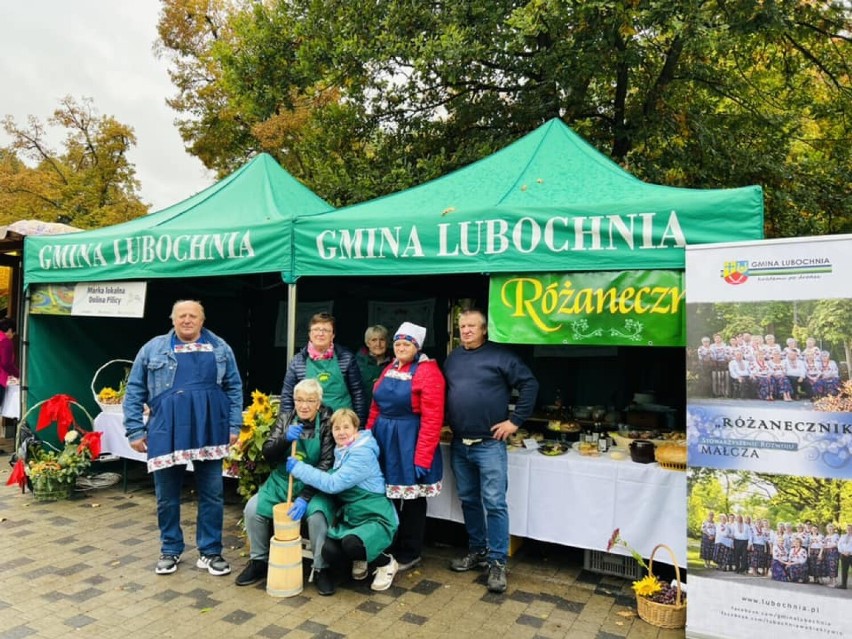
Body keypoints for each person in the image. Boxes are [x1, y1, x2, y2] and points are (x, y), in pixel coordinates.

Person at [124, 300, 243, 576]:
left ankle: (211, 552)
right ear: (172, 319)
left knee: (212, 493)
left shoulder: (221, 348)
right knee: (167, 495)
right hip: (167, 427)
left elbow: (234, 387)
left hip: (210, 427)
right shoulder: (153, 349)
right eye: (182, 316)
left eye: (193, 316)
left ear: (202, 320)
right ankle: (170, 549)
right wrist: (134, 429)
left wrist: (234, 424)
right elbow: (135, 390)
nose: (187, 320)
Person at [444, 308, 539, 594]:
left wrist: (515, 421)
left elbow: (530, 384)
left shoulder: (501, 356)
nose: (467, 330)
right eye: (462, 326)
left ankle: (497, 562)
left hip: (489, 445)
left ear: (484, 329)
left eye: (472, 326)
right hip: (460, 443)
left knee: (495, 503)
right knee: (469, 500)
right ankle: (478, 551)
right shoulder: (453, 358)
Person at [234, 379, 335, 591]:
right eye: (299, 400)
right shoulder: (285, 418)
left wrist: (305, 497)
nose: (304, 405)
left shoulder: (327, 422)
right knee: (253, 510)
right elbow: (268, 453)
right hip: (282, 480)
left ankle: (321, 568)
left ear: (318, 403)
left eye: (310, 400)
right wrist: (285, 439)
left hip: (314, 483)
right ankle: (259, 562)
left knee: (317, 517)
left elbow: (326, 463)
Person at [287, 408, 399, 593]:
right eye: (336, 428)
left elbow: (333, 484)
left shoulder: (361, 453)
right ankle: (360, 559)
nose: (341, 432)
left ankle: (387, 563)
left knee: (351, 544)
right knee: (329, 550)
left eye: (346, 427)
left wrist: (300, 469)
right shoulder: (341, 451)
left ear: (356, 429)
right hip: (354, 518)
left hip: (375, 516)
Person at [367, 321, 445, 572]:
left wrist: (423, 458)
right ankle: (388, 545)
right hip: (384, 440)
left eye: (406, 344)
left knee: (412, 501)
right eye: (397, 343)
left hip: (409, 443)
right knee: (387, 496)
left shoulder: (428, 372)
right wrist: (368, 439)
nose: (400, 348)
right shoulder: (390, 368)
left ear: (416, 347)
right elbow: (375, 407)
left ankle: (410, 552)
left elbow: (433, 420)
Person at [280, 312, 367, 424]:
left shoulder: (346, 358)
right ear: (310, 334)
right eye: (316, 329)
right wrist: (287, 426)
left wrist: (359, 426)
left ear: (333, 335)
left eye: (325, 330)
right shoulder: (298, 361)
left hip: (341, 425)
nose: (320, 333)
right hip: (309, 426)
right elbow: (287, 396)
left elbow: (358, 394)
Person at [355, 325, 392, 405]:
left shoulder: (395, 363)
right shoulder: (357, 363)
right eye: (374, 340)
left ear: (387, 342)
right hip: (364, 410)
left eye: (382, 340)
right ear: (367, 343)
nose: (378, 344)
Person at [0, 318, 20, 404]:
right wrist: (19, 374)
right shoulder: (5, 341)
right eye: (14, 332)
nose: (13, 335)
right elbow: (6, 363)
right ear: (10, 330)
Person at [838, 523, 852, 589]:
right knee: (844, 571)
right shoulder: (842, 536)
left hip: (851, 555)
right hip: (843, 555)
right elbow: (839, 545)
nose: (849, 530)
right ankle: (843, 585)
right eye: (848, 529)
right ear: (846, 530)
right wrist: (843, 552)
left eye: (850, 529)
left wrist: (850, 552)